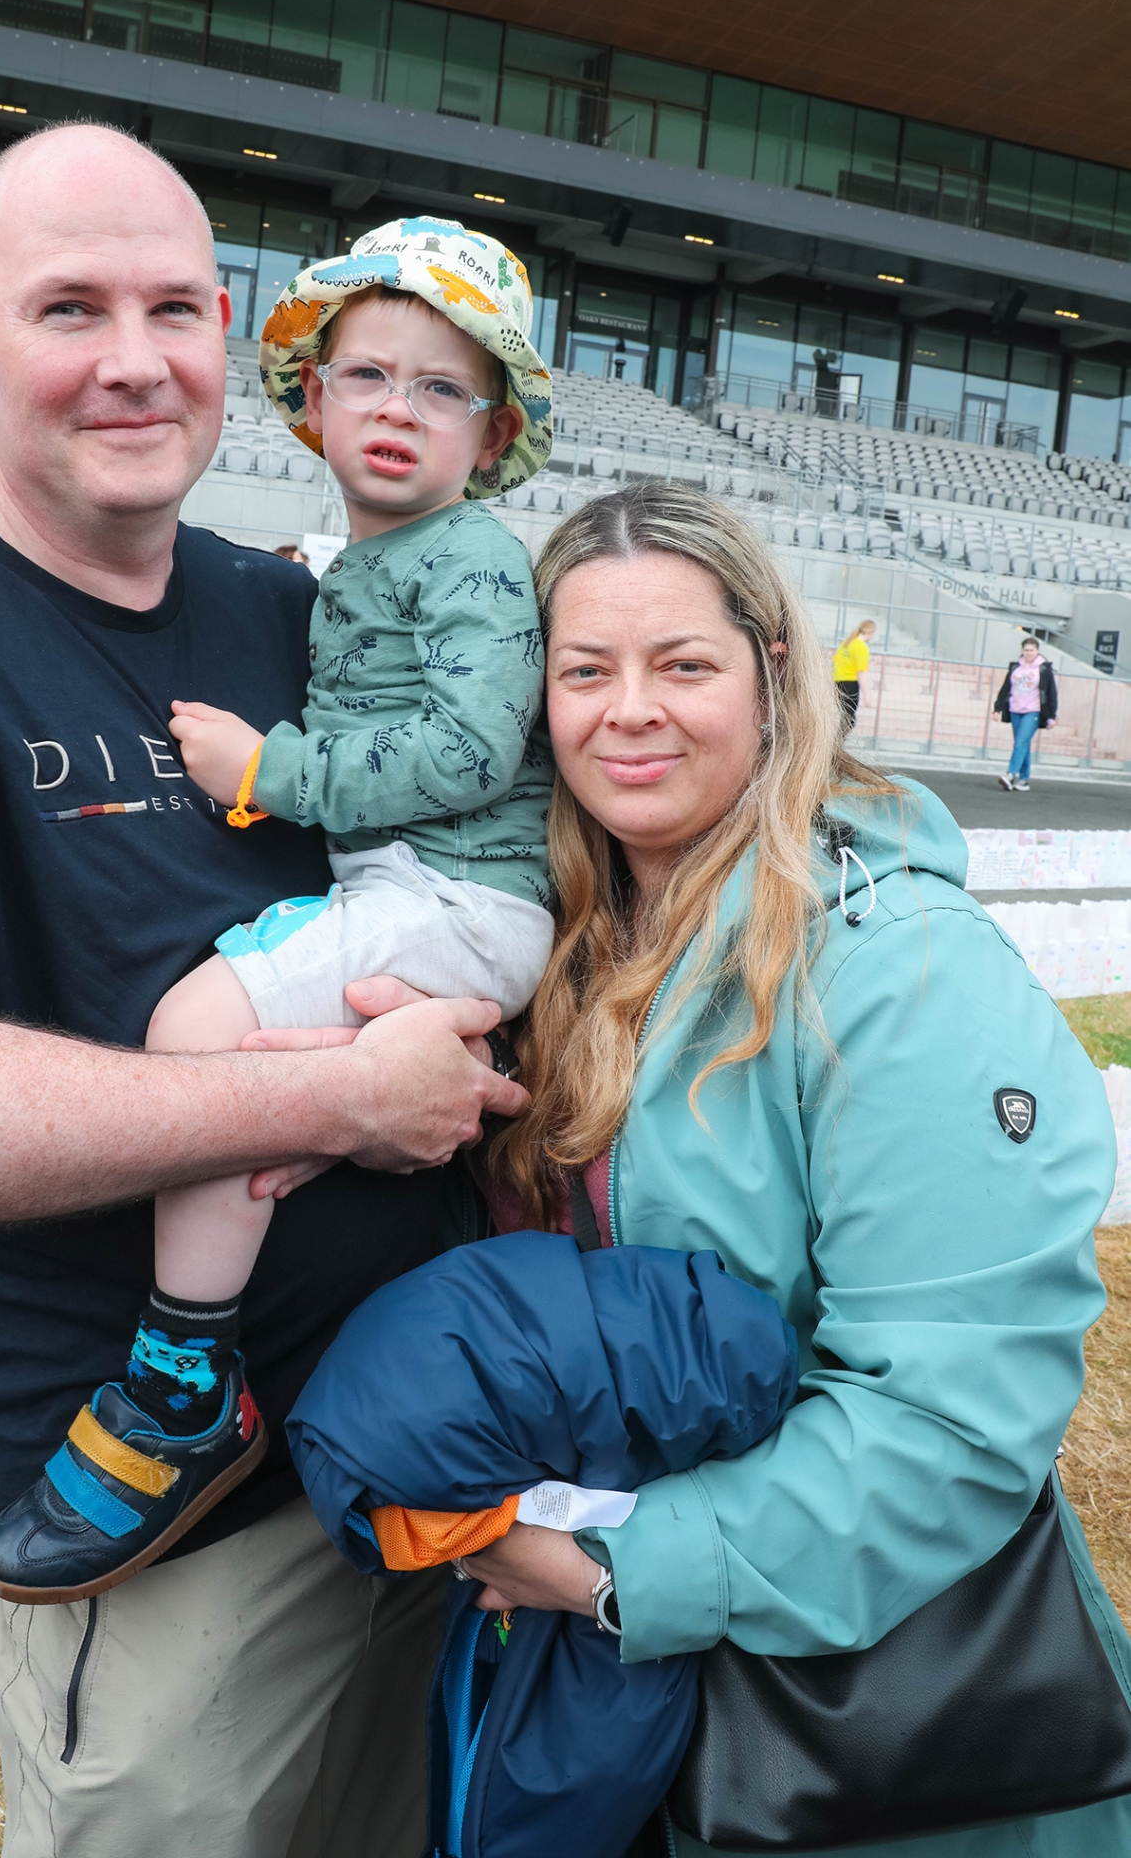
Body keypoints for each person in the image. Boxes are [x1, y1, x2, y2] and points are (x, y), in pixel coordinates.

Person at [0, 121, 527, 1858]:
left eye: (172, 308)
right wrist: (334, 1100)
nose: (131, 359)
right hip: (172, 1548)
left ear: (230, 333)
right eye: (67, 308)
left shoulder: (299, 606)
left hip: (429, 1461)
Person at [450, 480, 1130, 1856]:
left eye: (681, 664)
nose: (626, 710)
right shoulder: (550, 942)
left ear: (772, 675)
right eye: (585, 670)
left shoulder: (901, 971)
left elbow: (944, 1424)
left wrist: (605, 1570)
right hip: (615, 1692)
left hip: (873, 1737)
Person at [0, 217, 557, 1603]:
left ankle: (182, 1375)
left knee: (192, 1034)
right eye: (367, 376)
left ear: (492, 433)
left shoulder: (469, 559)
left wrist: (266, 772)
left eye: (441, 388)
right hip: (419, 900)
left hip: (457, 895)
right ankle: (308, 1133)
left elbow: (475, 751)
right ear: (311, 399)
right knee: (255, 1066)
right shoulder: (356, 565)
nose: (397, 410)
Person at [995, 634, 1058, 789]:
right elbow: (1005, 688)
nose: (1029, 653)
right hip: (1015, 709)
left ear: (1037, 651)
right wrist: (997, 708)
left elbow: (1051, 692)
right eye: (1026, 650)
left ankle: (1011, 774)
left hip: (1033, 710)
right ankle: (1024, 780)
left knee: (1021, 742)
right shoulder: (1015, 667)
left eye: (1032, 650)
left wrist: (1051, 716)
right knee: (1023, 745)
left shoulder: (1044, 669)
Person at [831, 616, 874, 725]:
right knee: (848, 720)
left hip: (837, 682)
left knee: (844, 718)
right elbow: (861, 672)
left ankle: (836, 740)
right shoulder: (861, 647)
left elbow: (835, 662)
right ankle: (836, 741)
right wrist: (867, 695)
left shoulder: (846, 643)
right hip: (850, 684)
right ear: (871, 632)